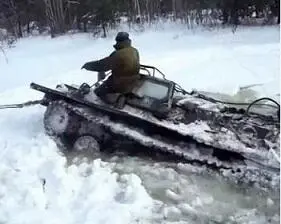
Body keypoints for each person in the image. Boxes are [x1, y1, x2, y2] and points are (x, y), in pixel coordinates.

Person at [81, 32, 140, 97]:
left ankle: (104, 103)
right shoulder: (134, 50)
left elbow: (102, 65)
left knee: (98, 92)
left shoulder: (118, 55)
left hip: (121, 84)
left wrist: (87, 65)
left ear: (118, 41)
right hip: (134, 81)